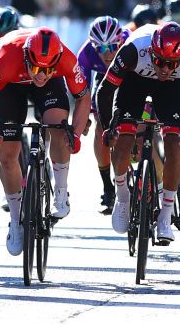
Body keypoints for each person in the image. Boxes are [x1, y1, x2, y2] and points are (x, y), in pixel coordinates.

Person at [96, 22, 180, 244]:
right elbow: (105, 91)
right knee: (122, 142)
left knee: (175, 145)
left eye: (171, 64)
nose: (164, 69)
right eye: (160, 61)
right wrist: (107, 127)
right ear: (151, 50)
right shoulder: (133, 49)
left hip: (170, 89)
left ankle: (165, 215)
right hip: (134, 82)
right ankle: (123, 197)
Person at [0, 27, 90, 255]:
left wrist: (75, 135)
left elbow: (83, 96)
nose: (40, 74)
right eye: (36, 67)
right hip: (11, 86)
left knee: (59, 129)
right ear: (27, 58)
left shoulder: (66, 59)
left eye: (48, 68)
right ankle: (17, 219)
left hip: (50, 89)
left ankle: (60, 190)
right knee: (7, 155)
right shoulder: (8, 57)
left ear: (56, 61)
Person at [76, 15, 126, 213]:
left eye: (113, 47)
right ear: (93, 46)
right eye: (101, 49)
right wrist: (85, 114)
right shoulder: (86, 53)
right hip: (103, 83)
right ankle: (108, 186)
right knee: (100, 129)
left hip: (129, 79)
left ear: (120, 41)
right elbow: (82, 91)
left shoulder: (129, 42)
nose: (107, 53)